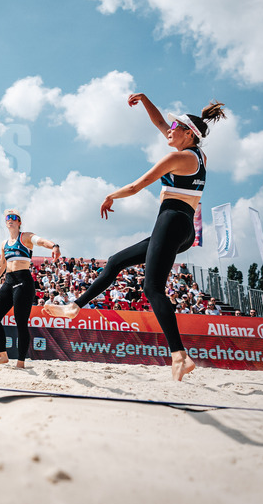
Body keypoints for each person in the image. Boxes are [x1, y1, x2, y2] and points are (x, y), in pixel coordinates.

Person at [43, 92, 226, 381]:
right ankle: (74, 307)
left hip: (172, 221)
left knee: (152, 289)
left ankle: (179, 355)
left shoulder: (177, 157)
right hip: (182, 227)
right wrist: (145, 100)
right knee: (115, 262)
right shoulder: (198, 154)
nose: (169, 130)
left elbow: (136, 186)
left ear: (188, 134)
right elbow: (161, 123)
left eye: (175, 128)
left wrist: (109, 196)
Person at [0, 209, 61, 368]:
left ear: (19, 222)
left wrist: (54, 246)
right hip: (8, 282)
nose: (10, 220)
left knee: (21, 322)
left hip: (23, 282)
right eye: (7, 218)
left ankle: (20, 362)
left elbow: (41, 241)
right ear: (5, 223)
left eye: (14, 218)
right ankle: (2, 355)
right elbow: (2, 265)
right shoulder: (4, 243)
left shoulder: (25, 237)